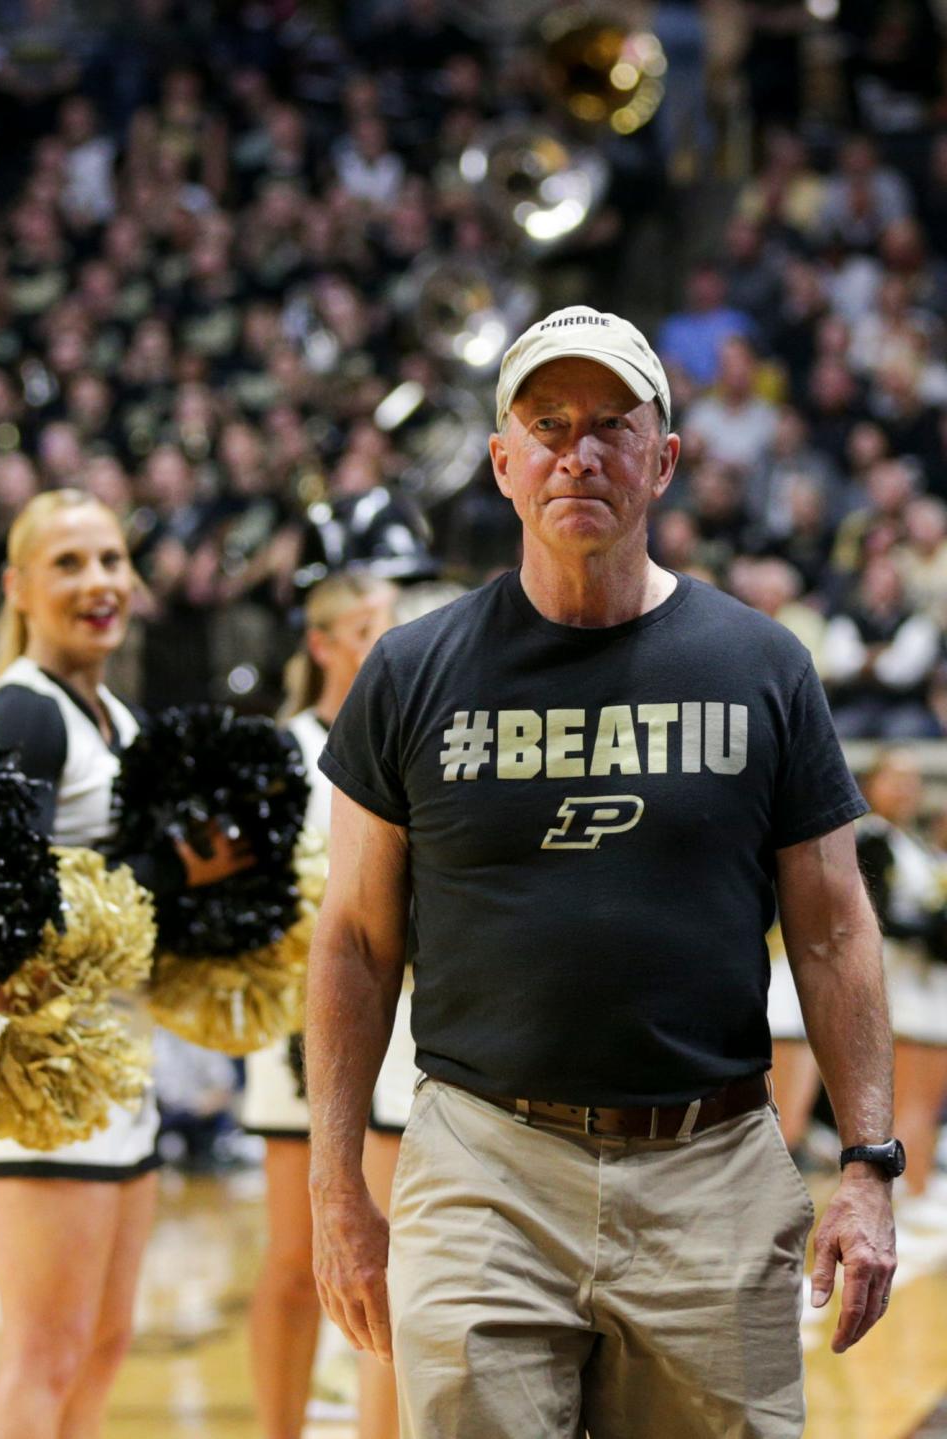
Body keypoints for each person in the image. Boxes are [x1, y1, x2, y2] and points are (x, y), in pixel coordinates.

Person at [305, 305, 901, 1439]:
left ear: (664, 458)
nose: (579, 450)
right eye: (548, 423)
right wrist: (336, 1187)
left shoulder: (763, 667)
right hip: (484, 1164)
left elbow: (833, 932)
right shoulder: (411, 671)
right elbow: (356, 941)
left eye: (613, 425)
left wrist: (869, 1161)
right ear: (502, 460)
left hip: (713, 1168)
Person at [0, 488, 248, 1439]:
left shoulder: (117, 717)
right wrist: (181, 862)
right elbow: (11, 910)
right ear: (17, 586)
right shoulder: (23, 713)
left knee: (100, 1346)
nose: (97, 581)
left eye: (109, 560)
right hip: (44, 1087)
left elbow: (132, 899)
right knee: (44, 1356)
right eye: (67, 563)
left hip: (121, 1068)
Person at [241, 569, 402, 1439]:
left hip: (402, 1021)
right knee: (295, 1257)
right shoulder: (280, 752)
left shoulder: (405, 736)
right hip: (294, 1027)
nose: (382, 637)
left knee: (387, 1251)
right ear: (322, 641)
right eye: (366, 624)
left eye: (390, 622)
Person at [856, 749, 947, 1219]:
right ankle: (900, 1196)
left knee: (930, 1094)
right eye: (896, 779)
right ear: (871, 785)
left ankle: (920, 1183)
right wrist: (934, 926)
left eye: (914, 781)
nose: (907, 789)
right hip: (897, 982)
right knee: (907, 1093)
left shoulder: (913, 843)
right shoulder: (871, 839)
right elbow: (883, 916)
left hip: (929, 986)